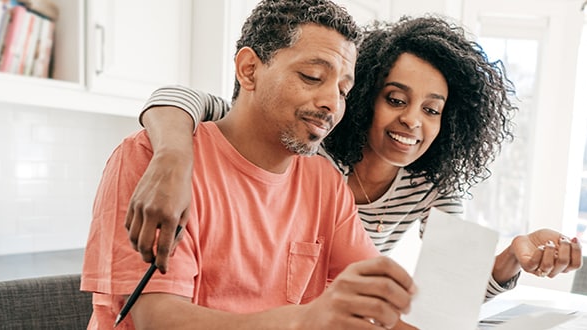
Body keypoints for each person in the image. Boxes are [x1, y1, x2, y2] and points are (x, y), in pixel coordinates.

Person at [128, 15, 583, 302]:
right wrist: (171, 156)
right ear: (364, 97)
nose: (413, 122)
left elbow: (448, 297)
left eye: (431, 110)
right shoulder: (306, 144)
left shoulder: (431, 185)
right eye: (395, 99)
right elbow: (183, 98)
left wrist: (509, 259)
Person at [81, 1, 417, 329]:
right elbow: (158, 320)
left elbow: (382, 301)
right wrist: (305, 320)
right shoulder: (150, 162)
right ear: (249, 69)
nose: (331, 103)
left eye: (344, 90)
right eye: (313, 76)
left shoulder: (324, 183)